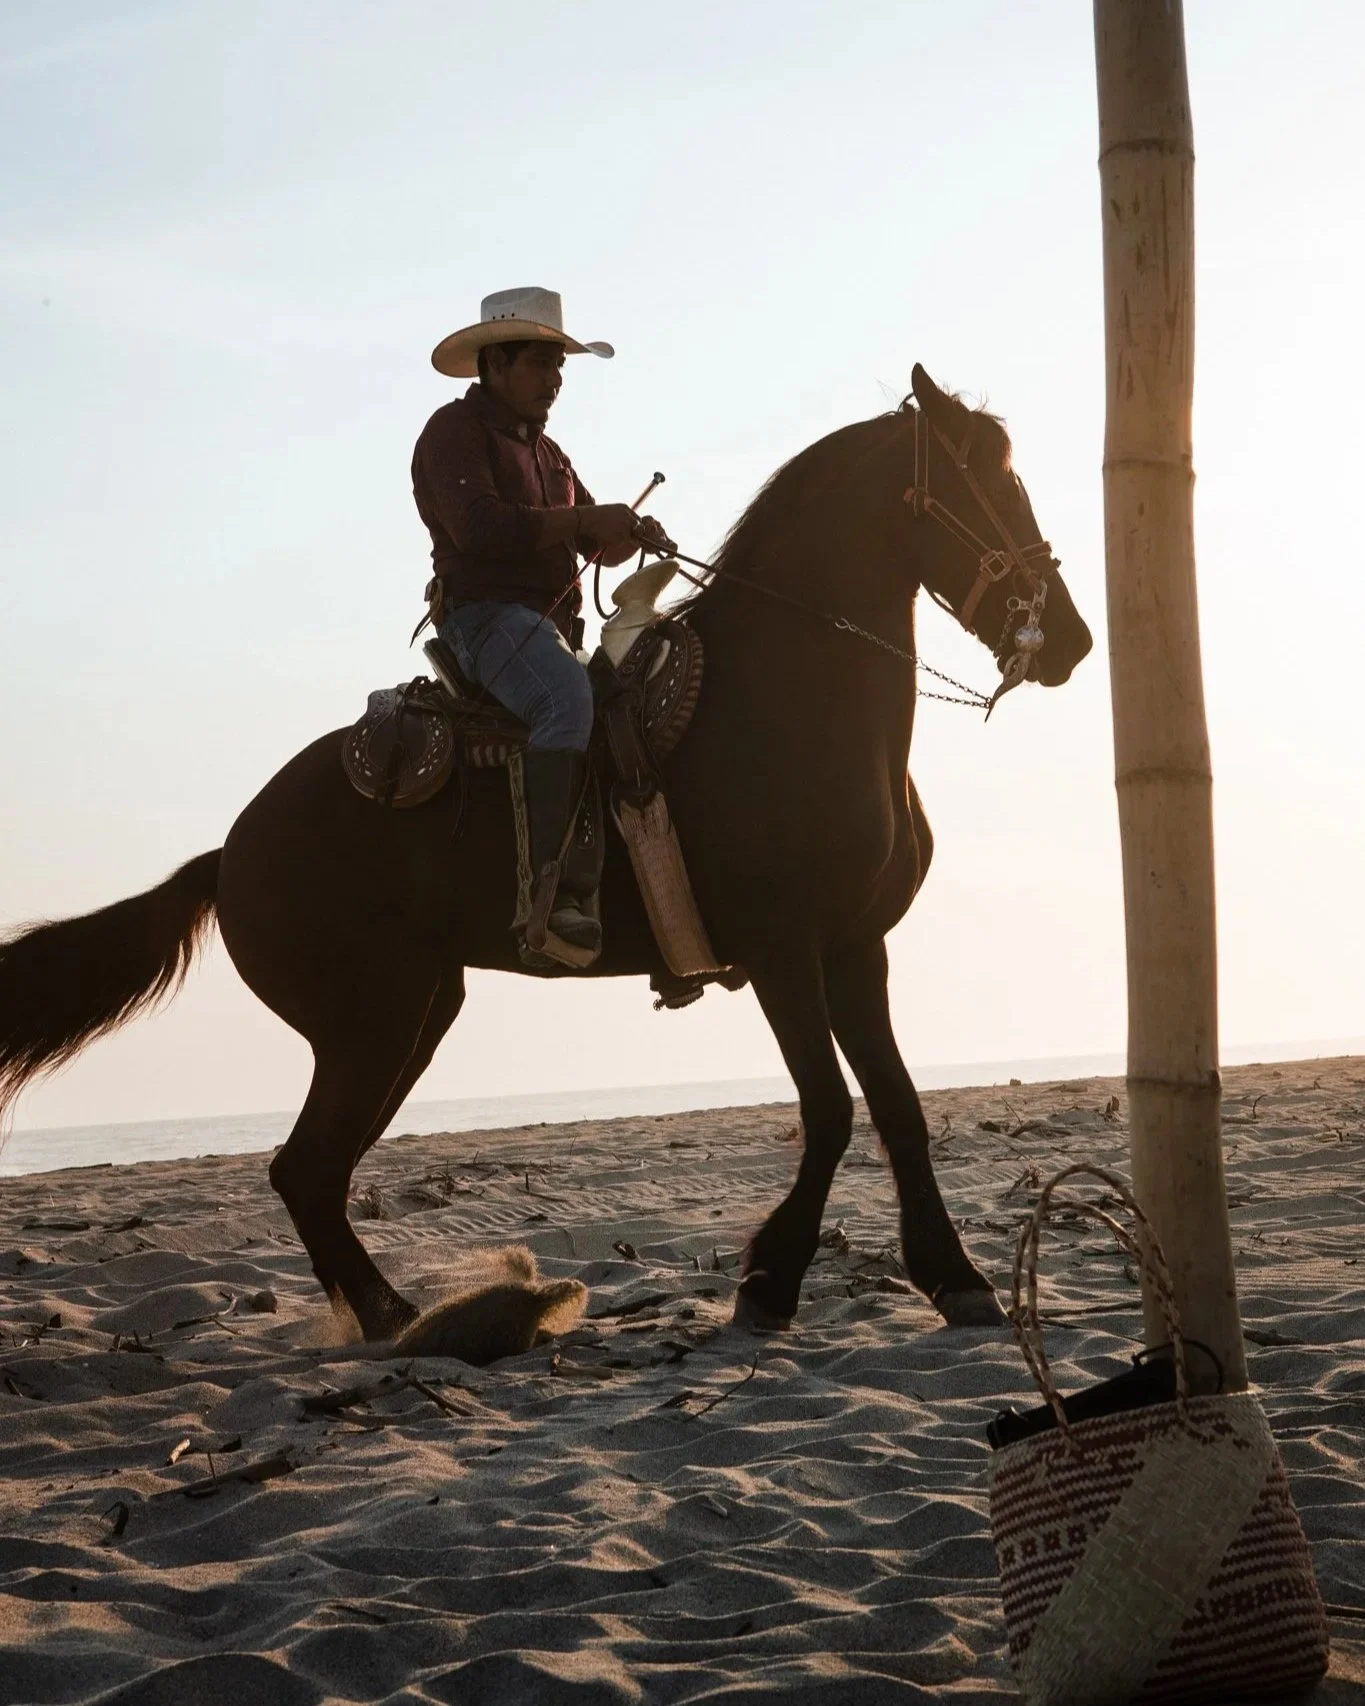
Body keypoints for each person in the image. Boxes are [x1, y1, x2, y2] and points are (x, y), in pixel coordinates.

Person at [412, 287, 670, 958]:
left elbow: (593, 542)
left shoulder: (549, 454)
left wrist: (629, 533)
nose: (554, 381)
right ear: (494, 366)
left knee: (636, 704)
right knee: (566, 699)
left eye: (559, 368)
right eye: (539, 364)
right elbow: (480, 530)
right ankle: (549, 902)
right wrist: (590, 520)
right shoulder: (452, 432)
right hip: (485, 623)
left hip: (549, 632)